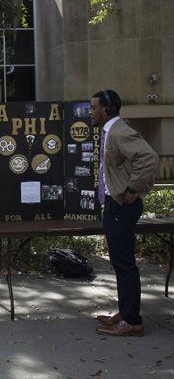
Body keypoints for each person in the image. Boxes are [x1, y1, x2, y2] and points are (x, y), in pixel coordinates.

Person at [90, 90, 159, 337]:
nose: (91, 112)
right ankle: (125, 311)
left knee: (125, 264)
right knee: (120, 263)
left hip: (121, 205)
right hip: (114, 204)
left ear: (106, 109)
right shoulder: (111, 131)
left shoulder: (119, 131)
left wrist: (133, 188)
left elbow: (148, 158)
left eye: (93, 108)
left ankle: (132, 321)